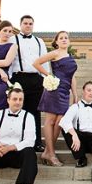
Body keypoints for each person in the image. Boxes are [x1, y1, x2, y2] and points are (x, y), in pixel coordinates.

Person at [34, 31, 78, 166]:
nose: (64, 40)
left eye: (66, 38)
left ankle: (48, 151)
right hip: (54, 89)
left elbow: (72, 76)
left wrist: (75, 93)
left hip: (65, 91)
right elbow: (36, 63)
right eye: (61, 38)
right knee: (50, 121)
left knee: (60, 122)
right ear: (57, 42)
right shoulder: (55, 53)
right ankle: (51, 154)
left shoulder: (69, 56)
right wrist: (49, 76)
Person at [9, 15, 49, 153]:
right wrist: (9, 80)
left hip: (36, 79)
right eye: (25, 23)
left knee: (35, 112)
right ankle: (19, 141)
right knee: (18, 109)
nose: (28, 25)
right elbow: (9, 60)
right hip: (19, 78)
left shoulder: (39, 41)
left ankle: (37, 141)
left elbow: (44, 60)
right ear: (20, 25)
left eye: (30, 23)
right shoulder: (12, 39)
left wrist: (46, 78)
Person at [60, 81, 92, 184]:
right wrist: (74, 134)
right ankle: (81, 158)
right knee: (66, 130)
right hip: (80, 140)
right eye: (89, 90)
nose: (91, 93)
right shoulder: (75, 107)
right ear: (83, 91)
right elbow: (64, 121)